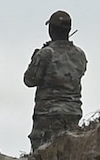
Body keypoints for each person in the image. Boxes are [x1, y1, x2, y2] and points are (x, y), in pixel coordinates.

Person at [24, 10, 87, 151]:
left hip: (47, 115)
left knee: (41, 157)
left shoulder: (46, 53)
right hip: (73, 112)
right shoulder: (80, 54)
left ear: (51, 30)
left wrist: (36, 57)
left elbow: (29, 80)